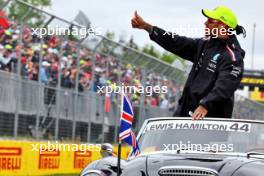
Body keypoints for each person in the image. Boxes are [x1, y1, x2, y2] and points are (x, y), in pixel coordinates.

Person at [131, 6, 245, 119]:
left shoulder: (233, 57)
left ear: (223, 25)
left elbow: (225, 86)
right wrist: (148, 28)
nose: (205, 23)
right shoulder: (204, 44)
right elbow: (176, 41)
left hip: (210, 119)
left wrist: (205, 105)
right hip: (185, 111)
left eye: (210, 20)